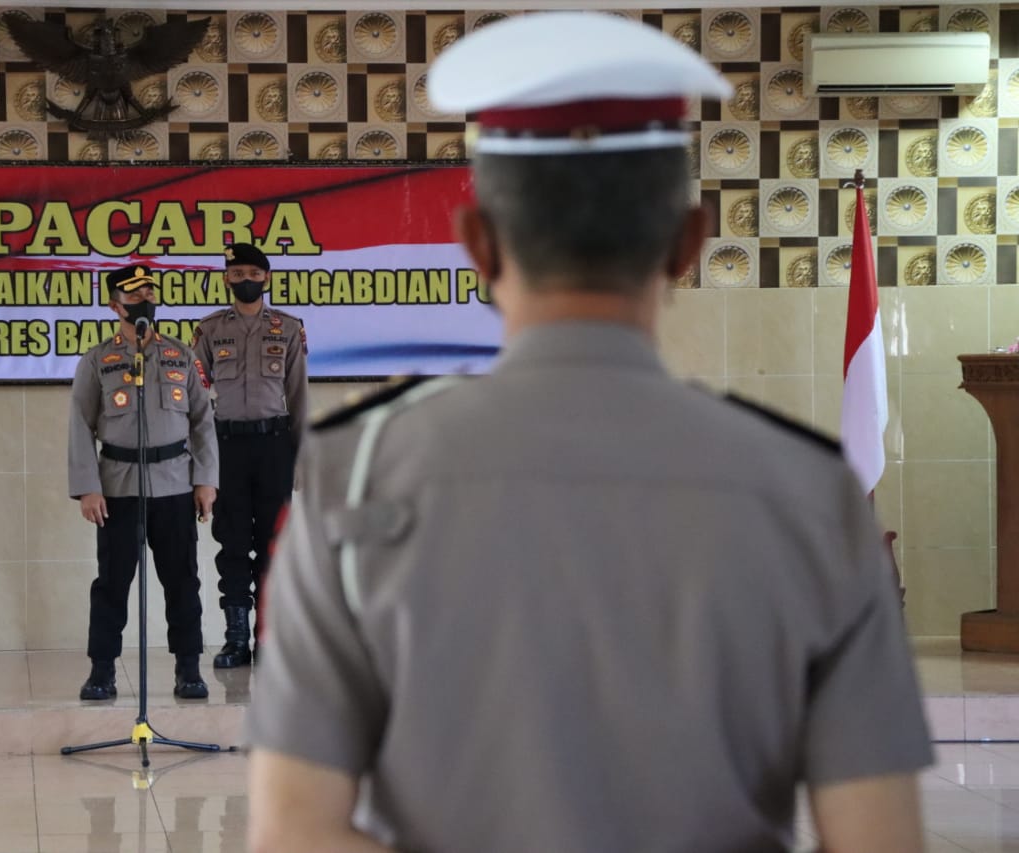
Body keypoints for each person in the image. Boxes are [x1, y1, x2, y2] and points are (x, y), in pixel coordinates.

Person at [245, 12, 933, 853]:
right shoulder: (814, 492)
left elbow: (293, 833)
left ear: (477, 243)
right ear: (688, 243)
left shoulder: (352, 475)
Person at [69, 264, 219, 701]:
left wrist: (206, 481)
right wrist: (87, 487)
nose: (144, 301)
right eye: (133, 296)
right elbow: (80, 425)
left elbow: (202, 422)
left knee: (182, 581)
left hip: (174, 485)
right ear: (115, 306)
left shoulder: (181, 356)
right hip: (117, 488)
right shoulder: (98, 360)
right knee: (112, 584)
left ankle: (188, 668)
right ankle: (102, 672)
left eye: (149, 292)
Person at [190, 243, 307, 669]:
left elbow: (298, 397)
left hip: (274, 446)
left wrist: (301, 458)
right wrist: (200, 463)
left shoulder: (288, 329)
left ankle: (269, 639)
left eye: (253, 273)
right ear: (225, 278)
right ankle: (236, 639)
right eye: (236, 272)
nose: (245, 280)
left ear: (267, 278)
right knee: (233, 544)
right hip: (226, 449)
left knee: (274, 546)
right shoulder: (208, 331)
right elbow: (197, 403)